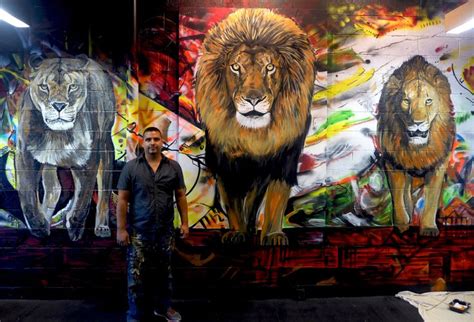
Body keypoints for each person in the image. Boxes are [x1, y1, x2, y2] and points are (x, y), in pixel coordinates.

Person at [116, 126, 189, 322]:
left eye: (156, 139)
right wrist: (121, 229)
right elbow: (122, 200)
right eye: (148, 139)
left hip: (165, 232)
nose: (152, 143)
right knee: (136, 277)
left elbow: (181, 196)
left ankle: (163, 308)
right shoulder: (131, 168)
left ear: (162, 141)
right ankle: (135, 314)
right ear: (143, 142)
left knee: (164, 274)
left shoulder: (173, 168)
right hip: (139, 233)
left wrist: (185, 223)